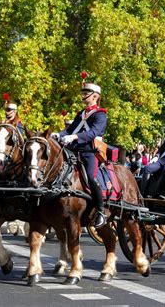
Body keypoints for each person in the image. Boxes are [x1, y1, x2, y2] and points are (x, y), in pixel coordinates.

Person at [51, 82, 107, 228]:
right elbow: (69, 130)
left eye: (85, 93)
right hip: (74, 151)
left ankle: (101, 211)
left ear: (95, 96)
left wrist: (75, 137)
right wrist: (59, 134)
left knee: (91, 178)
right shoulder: (80, 114)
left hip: (90, 152)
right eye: (82, 93)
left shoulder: (101, 114)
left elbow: (94, 132)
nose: (83, 96)